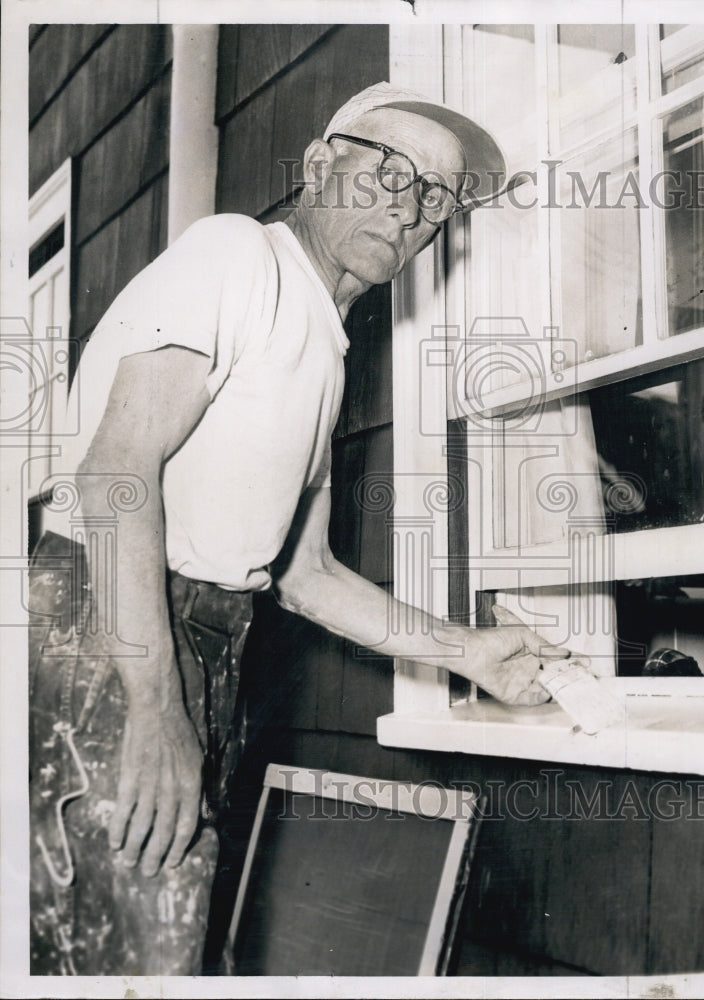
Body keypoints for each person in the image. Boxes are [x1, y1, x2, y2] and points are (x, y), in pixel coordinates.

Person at [28, 82, 568, 976]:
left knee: (144, 947)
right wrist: (158, 708)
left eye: (435, 196)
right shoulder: (238, 256)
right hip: (115, 630)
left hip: (190, 637)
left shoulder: (324, 337)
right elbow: (116, 474)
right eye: (393, 171)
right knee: (133, 956)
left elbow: (303, 572)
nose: (413, 207)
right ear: (320, 166)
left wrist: (468, 650)